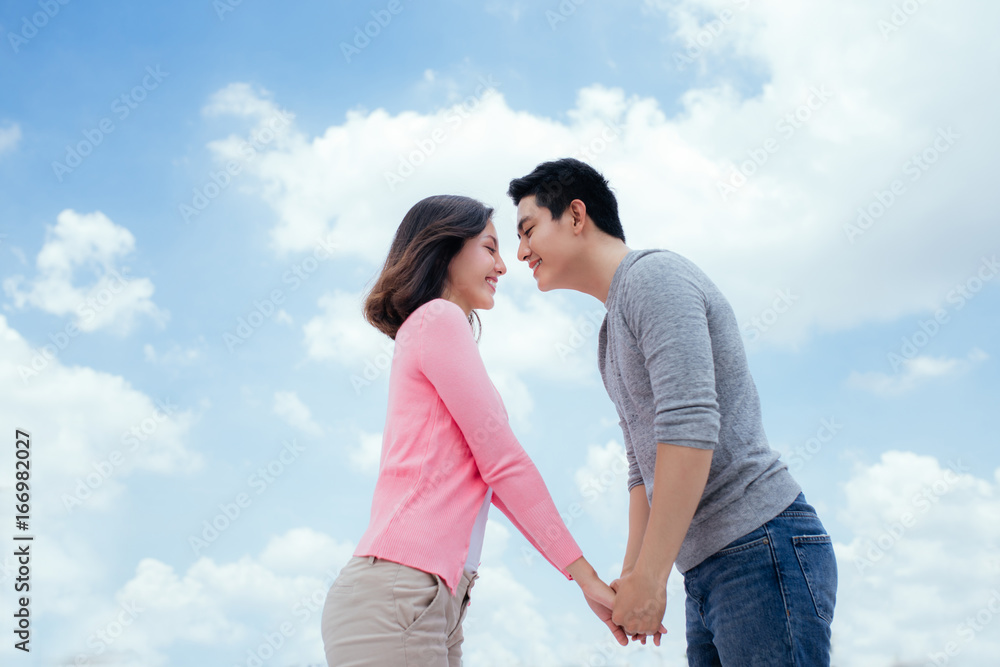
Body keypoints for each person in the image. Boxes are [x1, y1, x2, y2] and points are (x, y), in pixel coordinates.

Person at [506, 159, 838, 665]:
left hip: (759, 546)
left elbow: (691, 425)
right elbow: (643, 466)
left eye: (528, 230)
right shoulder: (608, 332)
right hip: (706, 566)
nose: (521, 251)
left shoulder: (653, 277)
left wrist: (652, 576)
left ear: (576, 215)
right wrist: (634, 574)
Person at [320, 194, 662, 667]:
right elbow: (504, 462)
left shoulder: (433, 328)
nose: (504, 265)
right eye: (490, 248)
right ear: (445, 248)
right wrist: (585, 577)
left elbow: (493, 473)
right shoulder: (439, 319)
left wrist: (578, 577)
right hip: (402, 592)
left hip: (428, 598)